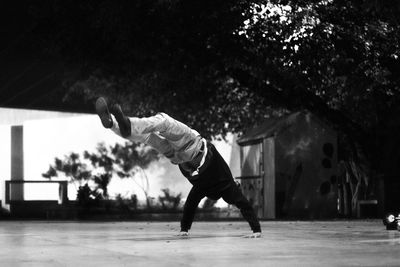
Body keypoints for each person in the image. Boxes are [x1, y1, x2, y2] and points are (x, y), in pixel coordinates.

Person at [95, 97, 262, 238]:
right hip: (179, 158)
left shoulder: (228, 184)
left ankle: (125, 124)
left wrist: (257, 229)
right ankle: (113, 125)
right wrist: (184, 229)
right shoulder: (202, 188)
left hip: (193, 145)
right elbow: (191, 205)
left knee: (165, 122)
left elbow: (242, 202)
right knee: (146, 138)